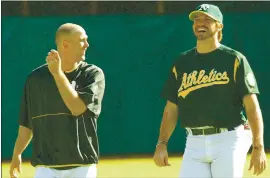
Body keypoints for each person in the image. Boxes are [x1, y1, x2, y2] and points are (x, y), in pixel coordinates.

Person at [153, 4, 267, 178]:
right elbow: (171, 108)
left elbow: (252, 107)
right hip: (194, 141)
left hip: (229, 138)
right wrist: (162, 143)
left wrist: (258, 147)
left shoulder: (234, 60)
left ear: (219, 25)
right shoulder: (182, 63)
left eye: (207, 19)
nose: (201, 23)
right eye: (197, 19)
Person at [9, 23, 105, 178]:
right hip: (46, 167)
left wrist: (57, 74)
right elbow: (27, 123)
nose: (87, 45)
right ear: (65, 44)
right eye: (82, 40)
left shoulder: (92, 74)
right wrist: (17, 154)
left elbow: (77, 108)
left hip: (82, 166)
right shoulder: (35, 79)